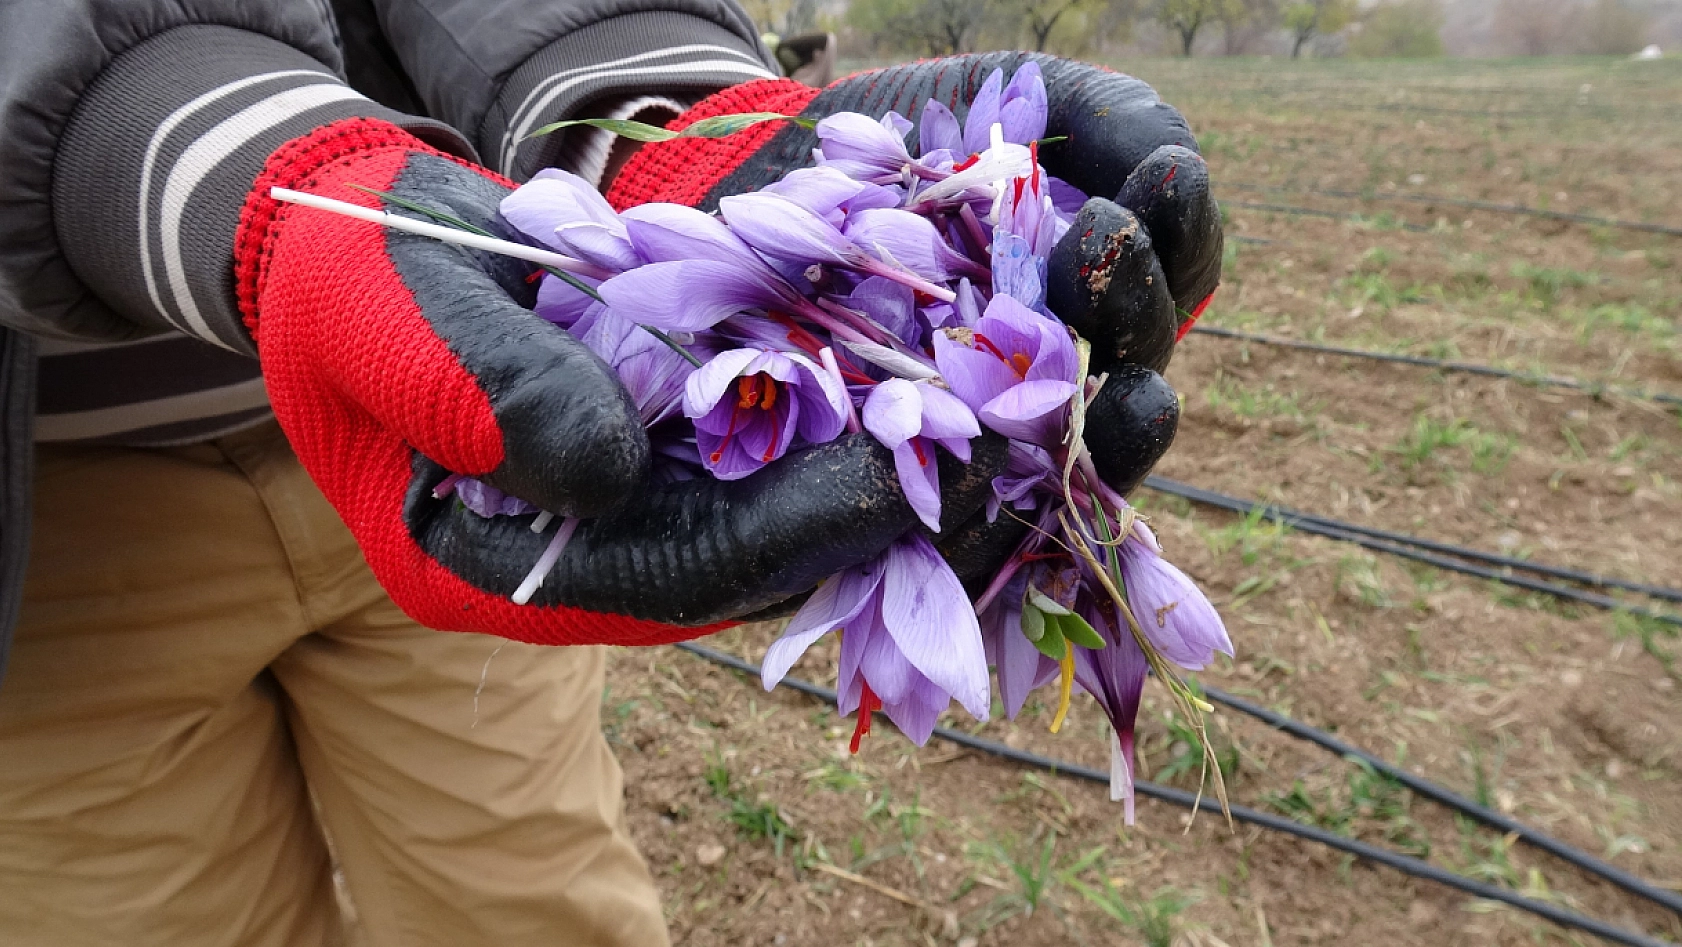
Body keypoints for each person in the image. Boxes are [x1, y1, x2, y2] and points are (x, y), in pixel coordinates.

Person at [0, 2, 1224, 944]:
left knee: (534, 896)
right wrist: (184, 148)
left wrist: (648, 97)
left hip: (483, 431)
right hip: (60, 544)